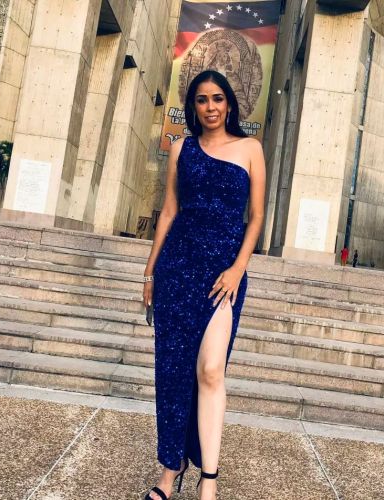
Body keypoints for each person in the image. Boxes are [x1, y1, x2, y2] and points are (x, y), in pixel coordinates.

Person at [142, 69, 266, 500]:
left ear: (229, 103)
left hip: (222, 276)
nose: (210, 107)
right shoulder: (182, 148)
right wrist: (151, 271)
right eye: (201, 99)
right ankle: (170, 470)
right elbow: (169, 211)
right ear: (193, 106)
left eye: (217, 98)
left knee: (211, 370)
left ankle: (208, 480)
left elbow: (256, 218)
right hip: (177, 269)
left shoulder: (250, 149)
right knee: (173, 373)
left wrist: (237, 269)